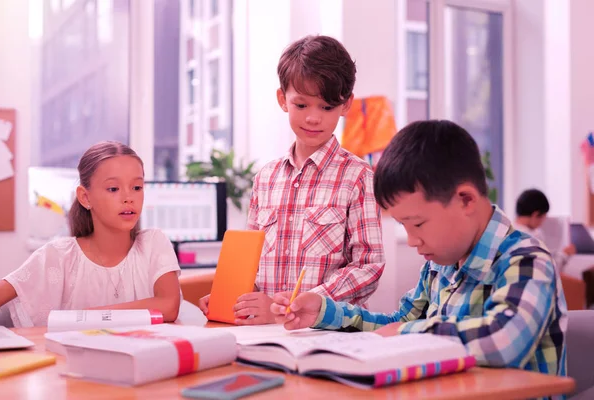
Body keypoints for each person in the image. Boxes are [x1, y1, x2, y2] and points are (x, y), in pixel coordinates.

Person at [271, 120, 567, 377]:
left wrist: (405, 332)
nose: (412, 241)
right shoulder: (440, 265)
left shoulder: (527, 260)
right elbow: (397, 322)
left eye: (418, 224)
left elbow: (502, 342)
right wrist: (324, 311)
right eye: (403, 226)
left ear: (465, 200)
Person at [200, 35, 385, 325]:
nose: (313, 118)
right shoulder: (266, 179)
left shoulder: (359, 177)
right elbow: (252, 266)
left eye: (326, 107)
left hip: (327, 332)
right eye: (301, 105)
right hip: (263, 334)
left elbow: (368, 267)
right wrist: (234, 297)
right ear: (282, 100)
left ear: (346, 105)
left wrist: (299, 306)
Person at [0, 141, 182, 327]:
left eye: (137, 187)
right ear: (85, 197)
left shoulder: (153, 243)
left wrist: (83, 317)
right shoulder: (57, 256)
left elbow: (168, 305)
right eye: (113, 189)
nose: (128, 198)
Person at [515, 188, 576, 268]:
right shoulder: (531, 238)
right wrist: (565, 254)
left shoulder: (508, 231)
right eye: (543, 217)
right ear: (535, 215)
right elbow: (546, 269)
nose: (543, 222)